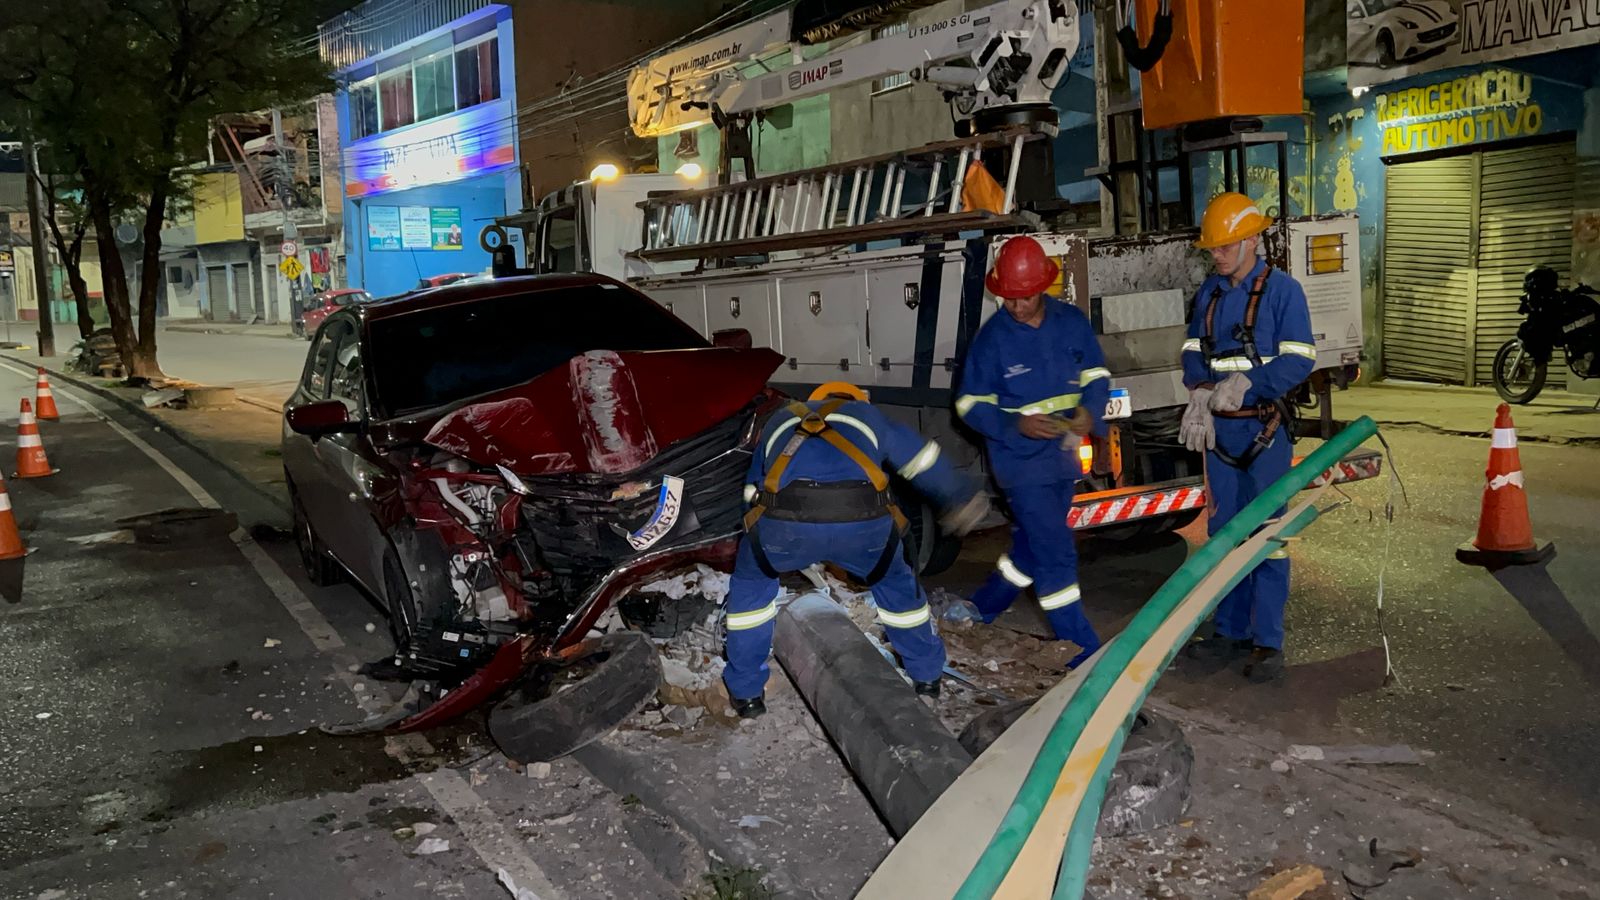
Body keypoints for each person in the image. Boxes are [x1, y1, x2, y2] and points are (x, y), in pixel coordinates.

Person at [722, 382, 989, 718]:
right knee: (897, 589)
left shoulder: (780, 419)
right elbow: (921, 460)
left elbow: (753, 490)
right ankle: (927, 677)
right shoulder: (867, 414)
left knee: (751, 590)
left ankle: (747, 695)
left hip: (784, 525)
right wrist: (959, 497)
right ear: (855, 398)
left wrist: (761, 542)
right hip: (862, 527)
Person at [1178, 192, 1317, 683]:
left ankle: (1267, 642)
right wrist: (1198, 389)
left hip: (1264, 431)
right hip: (1220, 436)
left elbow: (1300, 357)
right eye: (1212, 248)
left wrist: (1250, 384)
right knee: (1223, 536)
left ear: (1253, 240)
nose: (1215, 255)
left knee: (1267, 539)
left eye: (1225, 246)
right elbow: (1193, 347)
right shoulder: (1211, 294)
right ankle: (1230, 631)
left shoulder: (1284, 292)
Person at [956, 236, 1111, 669]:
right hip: (1019, 463)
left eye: (1023, 297)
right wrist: (1014, 424)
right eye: (1008, 298)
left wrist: (1090, 412)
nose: (1015, 306)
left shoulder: (1071, 321)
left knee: (1032, 545)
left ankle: (980, 609)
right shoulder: (991, 340)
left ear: (1043, 287)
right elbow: (969, 404)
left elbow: (1097, 374)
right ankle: (1082, 652)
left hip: (1062, 456)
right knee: (1056, 552)